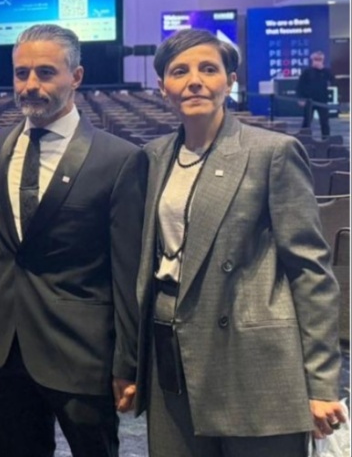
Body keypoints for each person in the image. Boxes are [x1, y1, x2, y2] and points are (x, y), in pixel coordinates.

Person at [134, 28, 345, 456]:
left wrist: (322, 382)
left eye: (208, 69)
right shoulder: (153, 156)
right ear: (162, 86)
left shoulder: (272, 152)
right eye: (180, 71)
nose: (195, 81)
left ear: (229, 80)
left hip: (253, 357)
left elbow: (310, 272)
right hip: (171, 350)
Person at [0, 24, 144, 457]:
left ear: (76, 77)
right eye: (21, 73)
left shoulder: (119, 158)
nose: (30, 85)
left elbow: (128, 271)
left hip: (81, 353)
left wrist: (127, 362)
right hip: (7, 349)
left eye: (45, 72)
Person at [296, 50, 334, 138]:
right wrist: (300, 98)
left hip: (322, 100)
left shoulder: (326, 71)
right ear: (312, 60)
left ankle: (326, 139)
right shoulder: (307, 72)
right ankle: (304, 138)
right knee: (307, 121)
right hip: (309, 100)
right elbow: (300, 85)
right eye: (316, 59)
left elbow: (332, 80)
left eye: (320, 59)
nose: (317, 61)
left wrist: (323, 70)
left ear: (323, 60)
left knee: (324, 121)